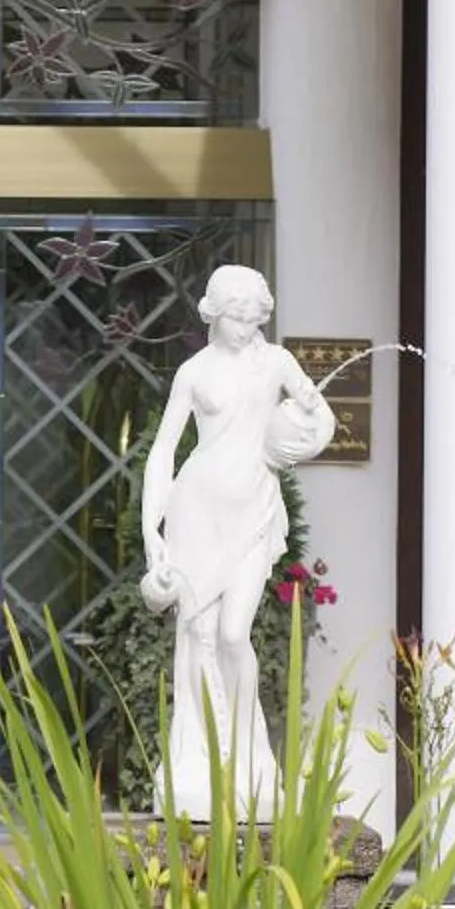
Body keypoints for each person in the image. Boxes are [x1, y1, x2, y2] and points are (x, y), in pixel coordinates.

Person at [137, 264, 335, 821]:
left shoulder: (278, 363)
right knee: (197, 635)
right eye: (237, 317)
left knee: (231, 634)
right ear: (215, 314)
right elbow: (163, 450)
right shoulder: (194, 373)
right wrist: (152, 532)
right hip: (196, 513)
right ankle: (203, 755)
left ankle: (248, 754)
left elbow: (322, 420)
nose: (247, 327)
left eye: (255, 317)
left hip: (253, 512)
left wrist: (297, 444)